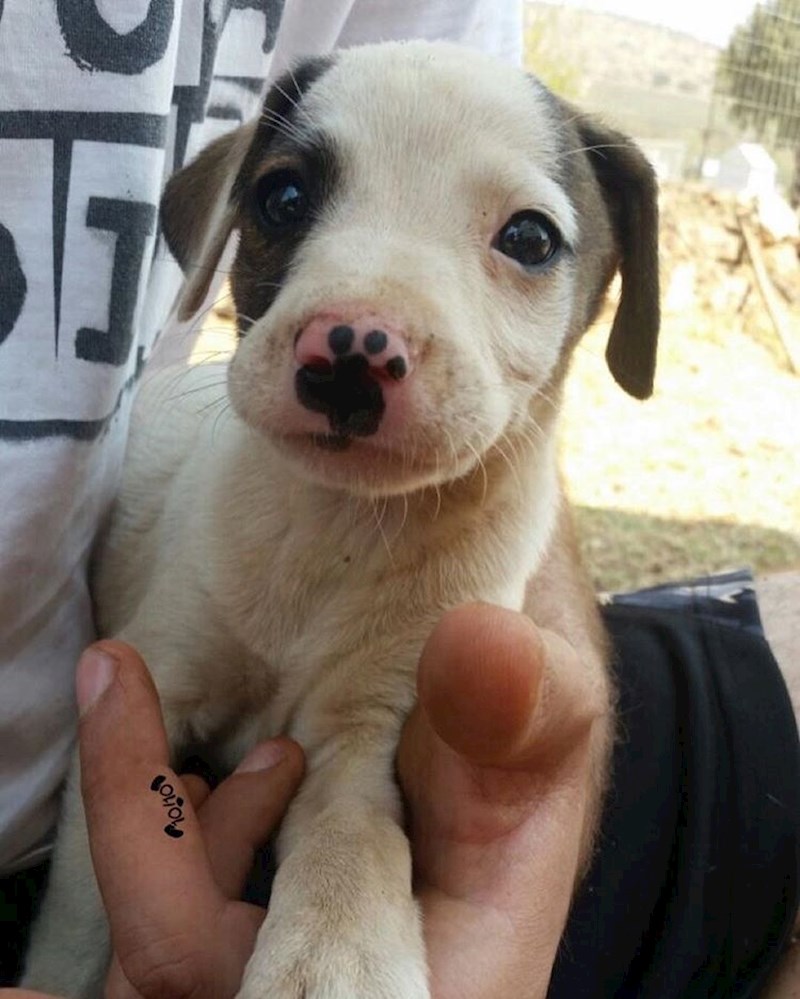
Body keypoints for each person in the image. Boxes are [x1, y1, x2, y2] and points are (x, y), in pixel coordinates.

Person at [1, 1, 798, 995]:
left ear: (613, 290)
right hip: (125, 822)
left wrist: (408, 876)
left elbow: (357, 771)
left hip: (382, 784)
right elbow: (142, 766)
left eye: (524, 238)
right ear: (222, 228)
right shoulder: (221, 494)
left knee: (760, 732)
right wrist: (64, 975)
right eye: (287, 204)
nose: (361, 330)